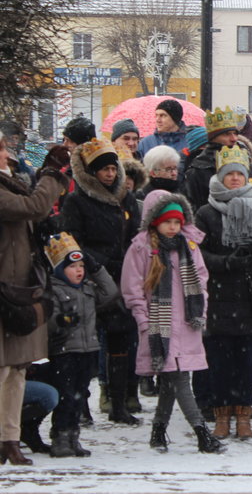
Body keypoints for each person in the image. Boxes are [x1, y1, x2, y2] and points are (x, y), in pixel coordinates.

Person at [120, 190, 222, 453]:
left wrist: (201, 308)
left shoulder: (188, 247)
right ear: (155, 221)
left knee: (172, 380)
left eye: (177, 222)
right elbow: (132, 289)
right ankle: (202, 433)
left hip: (187, 323)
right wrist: (144, 321)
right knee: (178, 379)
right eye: (168, 222)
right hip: (158, 325)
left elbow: (201, 280)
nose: (173, 227)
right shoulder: (142, 248)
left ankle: (158, 432)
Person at [194, 145, 252, 440]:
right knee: (219, 362)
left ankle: (243, 415)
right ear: (220, 177)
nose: (234, 179)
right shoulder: (206, 212)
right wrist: (226, 262)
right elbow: (197, 254)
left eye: (239, 174)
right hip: (217, 296)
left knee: (246, 362)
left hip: (249, 297)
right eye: (229, 174)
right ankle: (221, 415)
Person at [60, 138, 142, 425]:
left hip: (122, 278)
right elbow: (72, 240)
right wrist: (100, 264)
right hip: (89, 279)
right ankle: (80, 407)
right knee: (86, 346)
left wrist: (132, 262)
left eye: (112, 168)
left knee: (120, 342)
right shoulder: (76, 200)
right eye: (103, 170)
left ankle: (118, 404)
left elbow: (136, 235)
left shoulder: (126, 198)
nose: (109, 174)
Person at [0, 134, 70, 465]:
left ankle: (9, 439)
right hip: (5, 288)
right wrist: (52, 173)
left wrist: (45, 169)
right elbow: (34, 206)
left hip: (16, 288)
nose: (4, 154)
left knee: (15, 369)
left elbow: (35, 207)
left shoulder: (11, 182)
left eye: (2, 147)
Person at [44, 232, 118, 457]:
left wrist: (97, 269)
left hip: (88, 350)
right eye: (72, 266)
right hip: (65, 351)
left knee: (80, 394)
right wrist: (62, 321)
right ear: (59, 269)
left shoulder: (87, 287)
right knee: (65, 395)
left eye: (81, 266)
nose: (79, 270)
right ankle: (60, 435)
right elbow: (48, 322)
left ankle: (74, 435)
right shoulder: (54, 290)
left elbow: (111, 292)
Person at [181, 106, 252, 212]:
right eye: (227, 134)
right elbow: (194, 208)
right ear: (213, 137)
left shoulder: (247, 163)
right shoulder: (198, 169)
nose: (234, 138)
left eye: (235, 133)